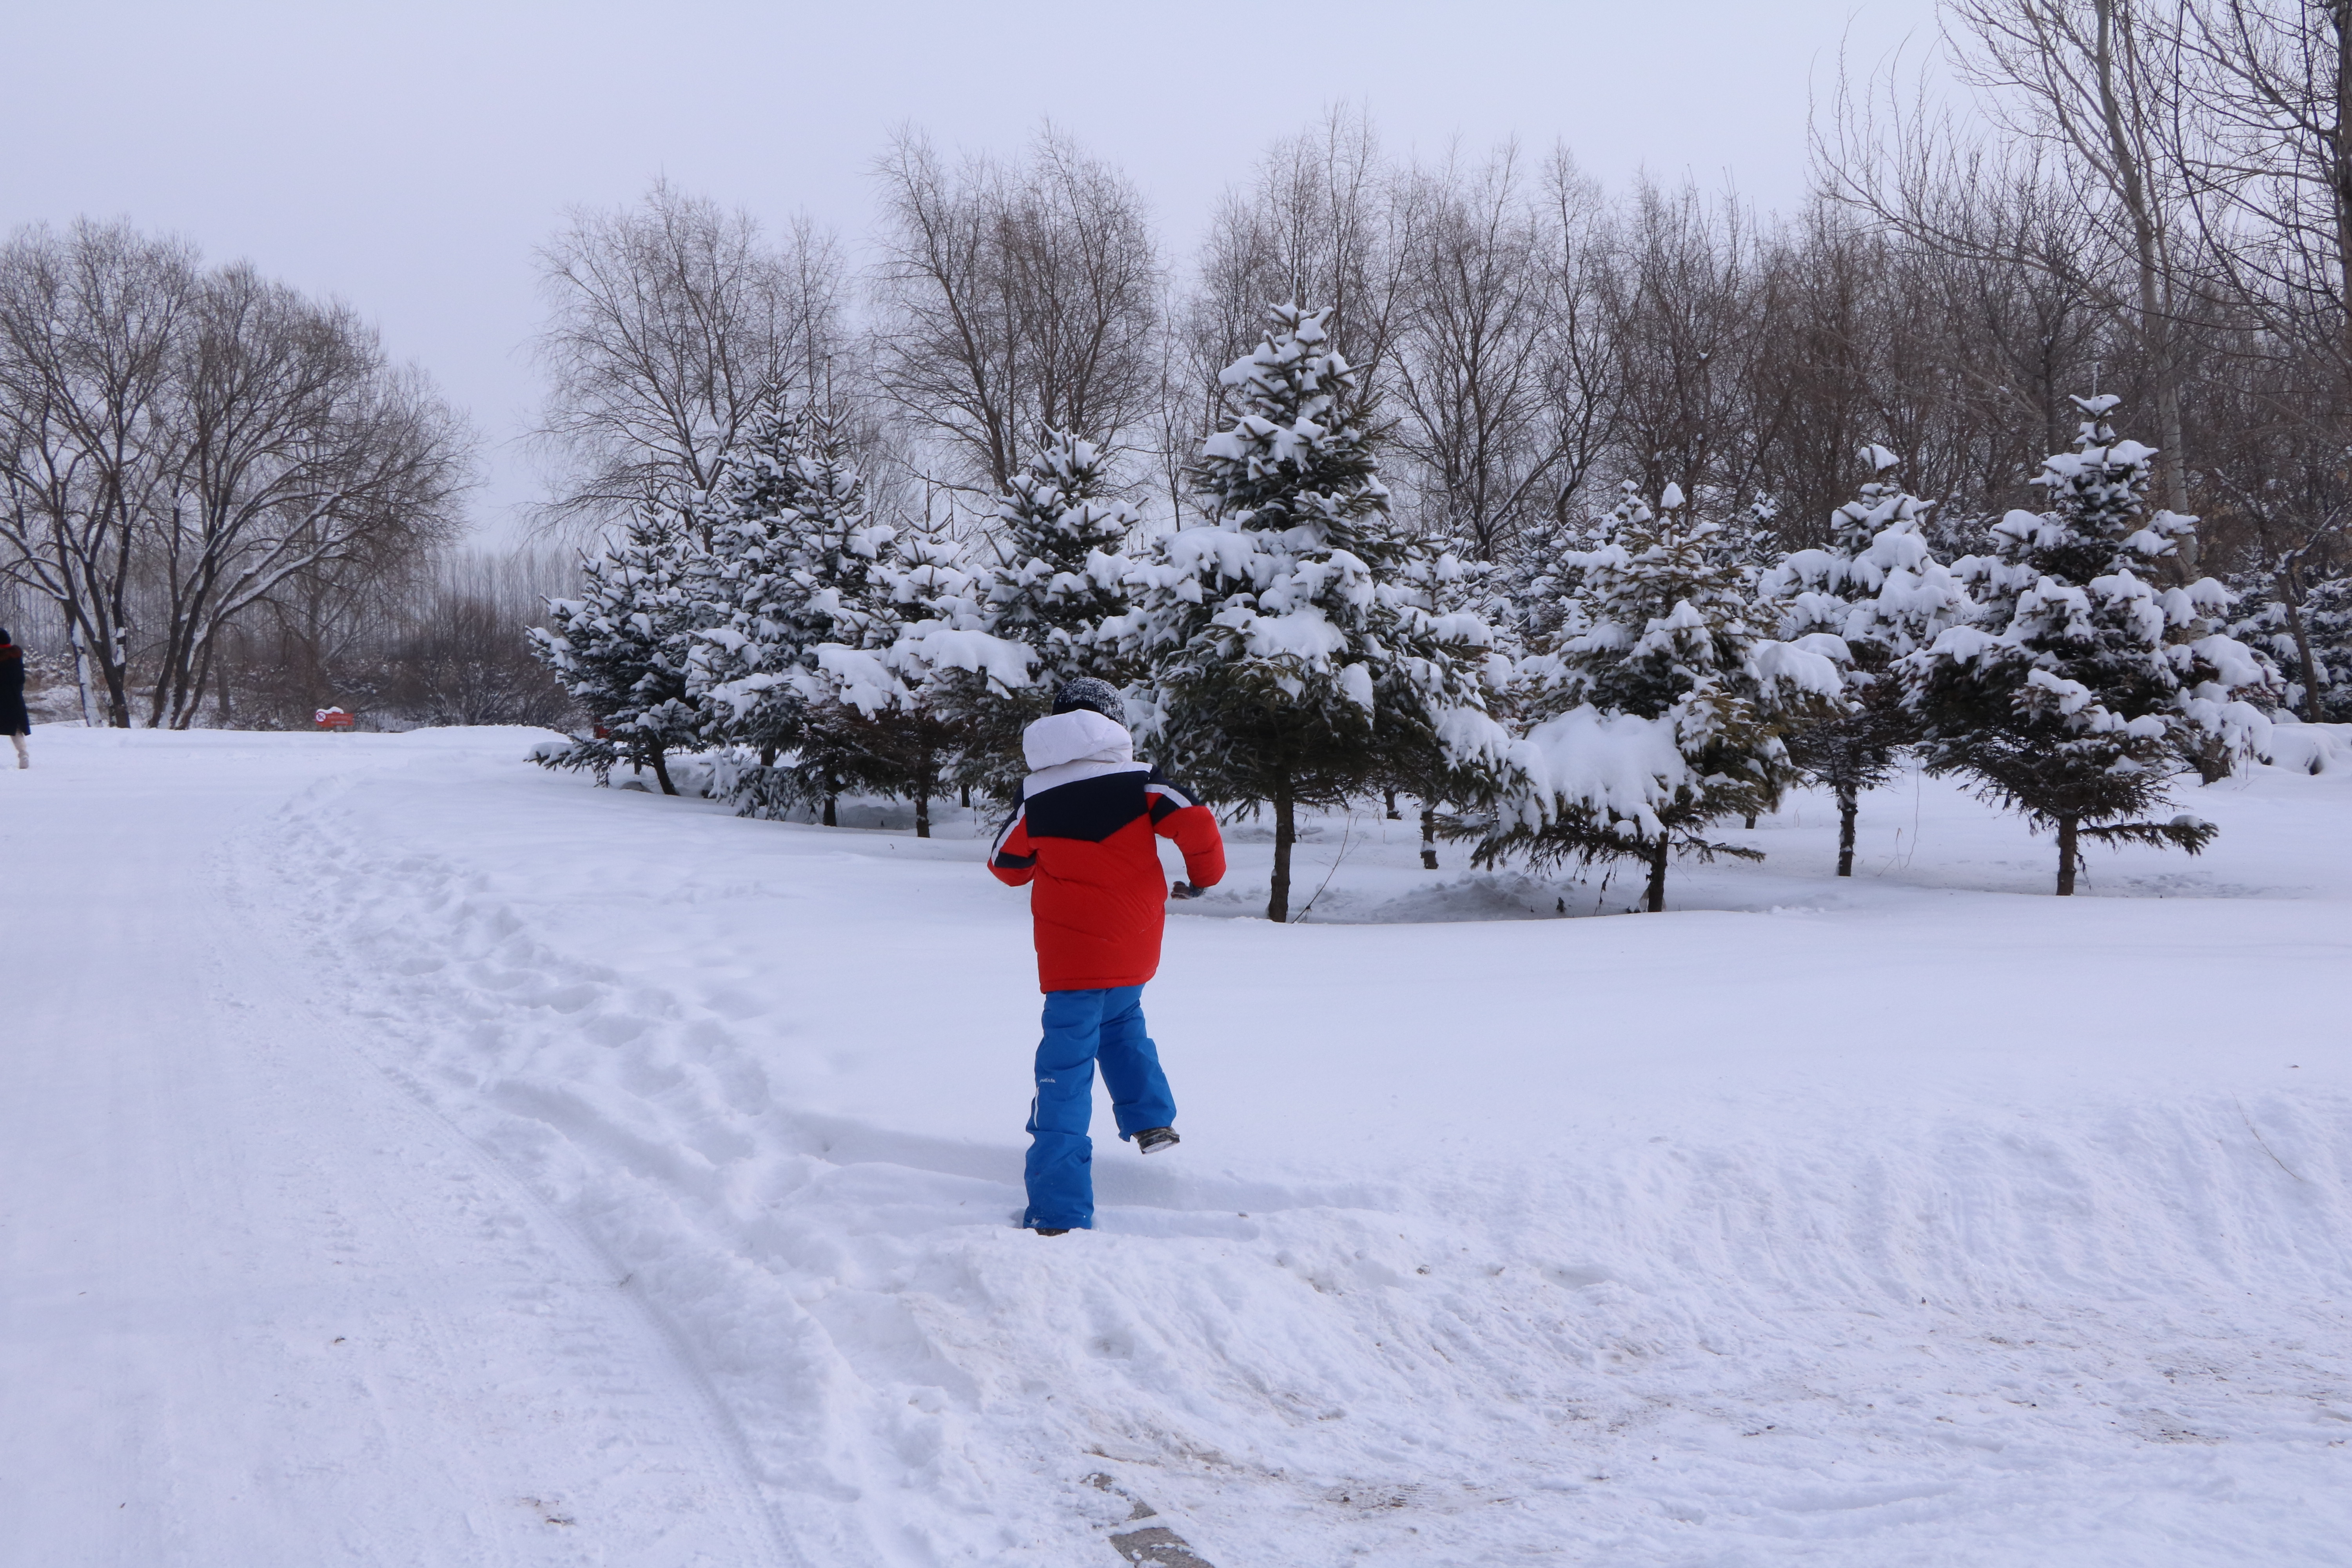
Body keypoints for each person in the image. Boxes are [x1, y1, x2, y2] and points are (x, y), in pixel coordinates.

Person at [987, 677, 1225, 1235]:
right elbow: (1195, 820)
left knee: (1063, 1074)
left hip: (1071, 959)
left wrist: (1039, 861)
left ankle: (1058, 1210)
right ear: (1113, 724)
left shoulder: (1037, 795)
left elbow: (1006, 864)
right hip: (1134, 942)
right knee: (1122, 1021)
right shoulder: (1141, 780)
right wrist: (1203, 878)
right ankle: (1150, 1121)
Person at [0, 628, 28, 769]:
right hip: (14, 698)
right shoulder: (17, 657)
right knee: (16, 729)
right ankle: (23, 754)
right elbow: (21, 679)